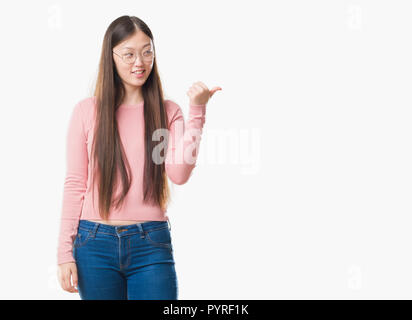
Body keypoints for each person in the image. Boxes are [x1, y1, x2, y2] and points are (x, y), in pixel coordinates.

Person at [56, 15, 221, 300]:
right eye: (129, 54)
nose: (139, 62)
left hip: (151, 245)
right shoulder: (86, 111)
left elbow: (179, 174)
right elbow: (75, 183)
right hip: (93, 245)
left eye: (147, 52)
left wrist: (197, 112)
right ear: (111, 57)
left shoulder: (168, 112)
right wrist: (64, 252)